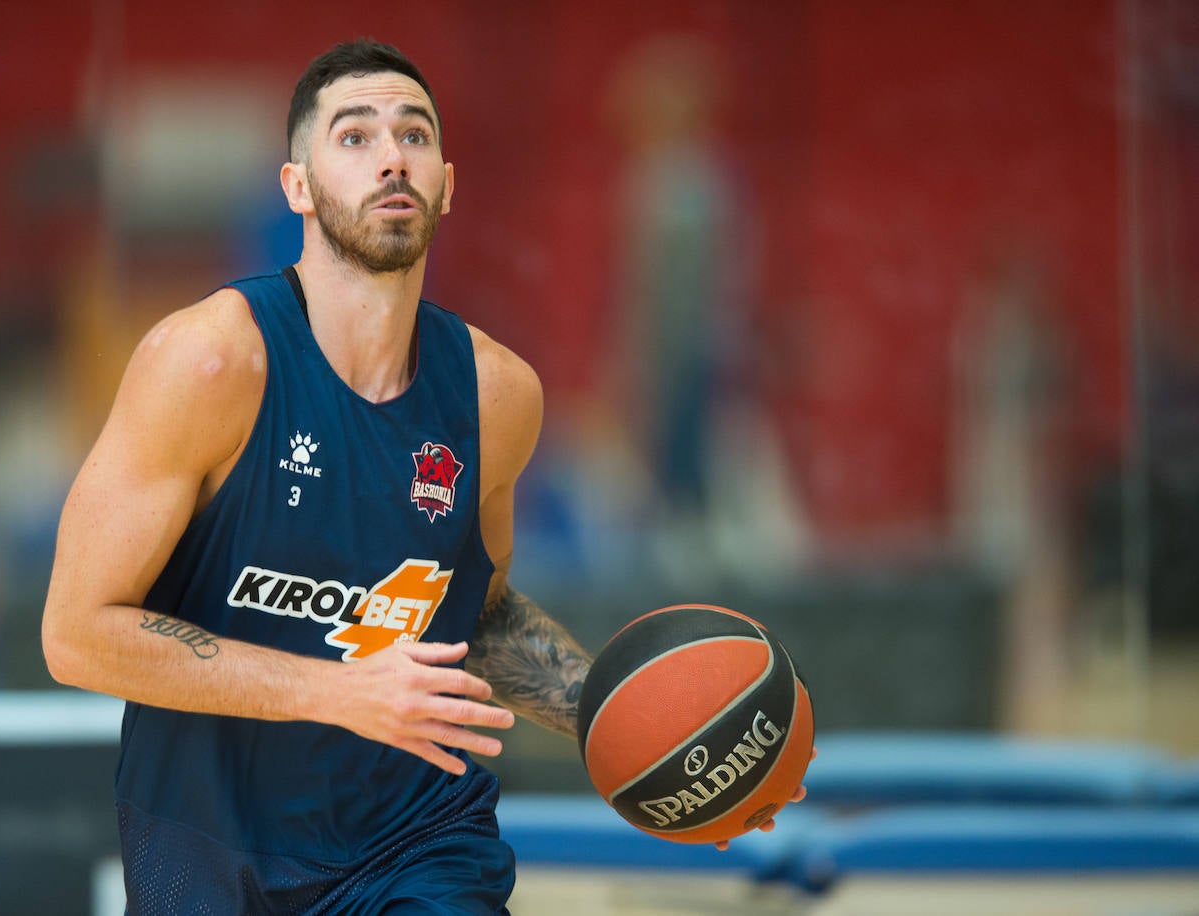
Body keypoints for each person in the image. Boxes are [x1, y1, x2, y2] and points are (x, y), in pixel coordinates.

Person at [43, 38, 799, 914]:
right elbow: (77, 633)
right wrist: (338, 691)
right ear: (297, 187)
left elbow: (474, 616)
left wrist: (630, 715)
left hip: (416, 841)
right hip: (207, 847)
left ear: (446, 183)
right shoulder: (208, 363)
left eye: (415, 134)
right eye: (355, 137)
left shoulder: (496, 395)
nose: (392, 154)